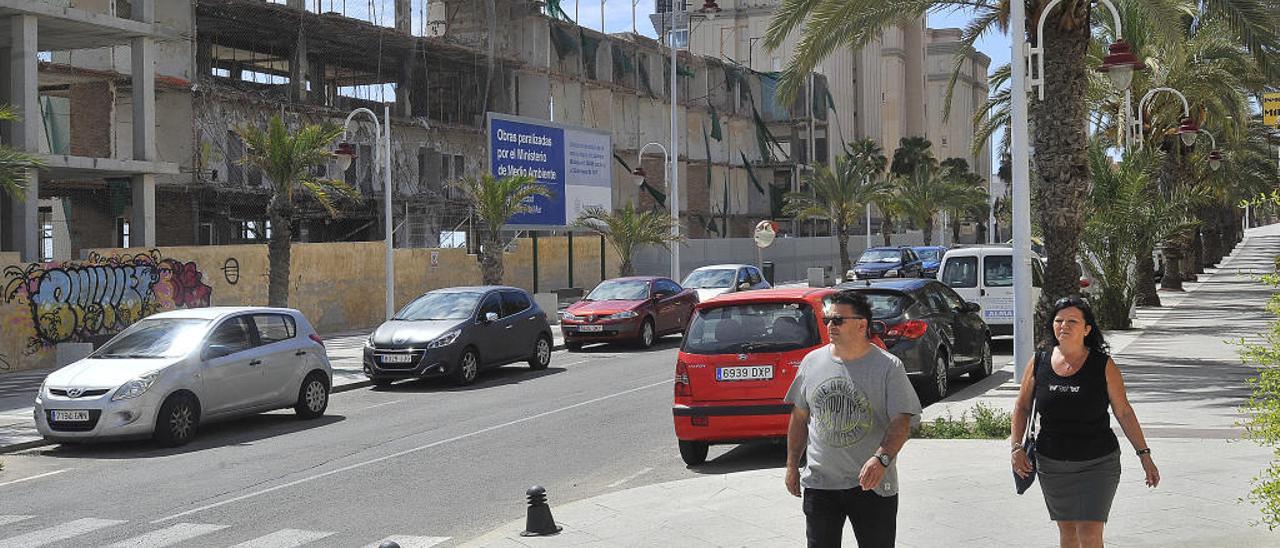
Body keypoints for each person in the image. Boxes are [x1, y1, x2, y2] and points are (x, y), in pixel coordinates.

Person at [1011, 296, 1161, 548]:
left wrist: (1144, 455)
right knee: (1068, 534)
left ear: (1087, 329)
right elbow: (1022, 406)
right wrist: (1016, 447)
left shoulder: (1102, 365)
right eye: (1058, 321)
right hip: (1052, 463)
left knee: (1090, 534)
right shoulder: (1039, 361)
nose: (1063, 326)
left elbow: (1123, 411)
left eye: (1072, 321)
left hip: (1098, 462)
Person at [784, 290, 922, 548]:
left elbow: (902, 421)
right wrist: (792, 465)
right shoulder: (811, 362)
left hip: (872, 484)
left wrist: (881, 459)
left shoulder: (888, 367)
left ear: (861, 325)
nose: (830, 325)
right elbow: (800, 417)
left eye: (838, 320)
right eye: (828, 319)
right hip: (820, 483)